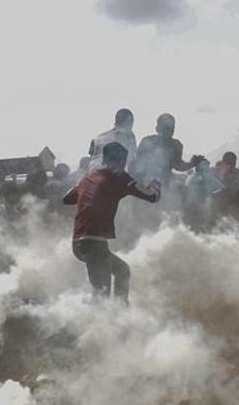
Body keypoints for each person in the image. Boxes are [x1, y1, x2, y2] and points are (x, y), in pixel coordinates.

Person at [64, 142, 159, 301]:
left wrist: (85, 186)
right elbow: (152, 197)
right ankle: (97, 323)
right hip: (94, 244)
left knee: (122, 271)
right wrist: (156, 186)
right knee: (102, 294)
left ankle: (120, 312)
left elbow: (66, 199)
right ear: (122, 160)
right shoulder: (120, 177)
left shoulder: (88, 178)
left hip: (79, 243)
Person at [131, 113, 202, 188]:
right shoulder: (147, 142)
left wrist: (192, 163)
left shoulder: (175, 145)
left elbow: (178, 165)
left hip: (164, 185)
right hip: (145, 184)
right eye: (166, 127)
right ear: (157, 128)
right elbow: (135, 164)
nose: (169, 130)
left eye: (171, 128)